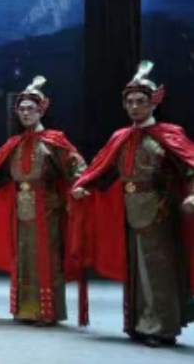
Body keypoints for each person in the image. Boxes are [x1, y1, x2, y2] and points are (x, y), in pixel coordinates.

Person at [71, 61, 194, 347]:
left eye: (141, 101)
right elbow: (103, 170)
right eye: (130, 102)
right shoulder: (121, 137)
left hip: (159, 209)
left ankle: (161, 327)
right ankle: (140, 323)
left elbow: (190, 167)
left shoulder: (169, 134)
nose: (135, 106)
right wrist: (84, 186)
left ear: (153, 103)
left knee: (158, 267)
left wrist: (192, 194)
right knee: (136, 267)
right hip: (127, 210)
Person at [0, 76, 88, 326]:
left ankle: (47, 312)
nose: (26, 113)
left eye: (31, 109)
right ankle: (25, 309)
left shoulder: (55, 142)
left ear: (41, 111)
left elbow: (76, 166)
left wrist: (79, 184)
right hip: (20, 209)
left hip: (47, 210)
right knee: (23, 257)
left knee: (46, 258)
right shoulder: (14, 144)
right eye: (22, 109)